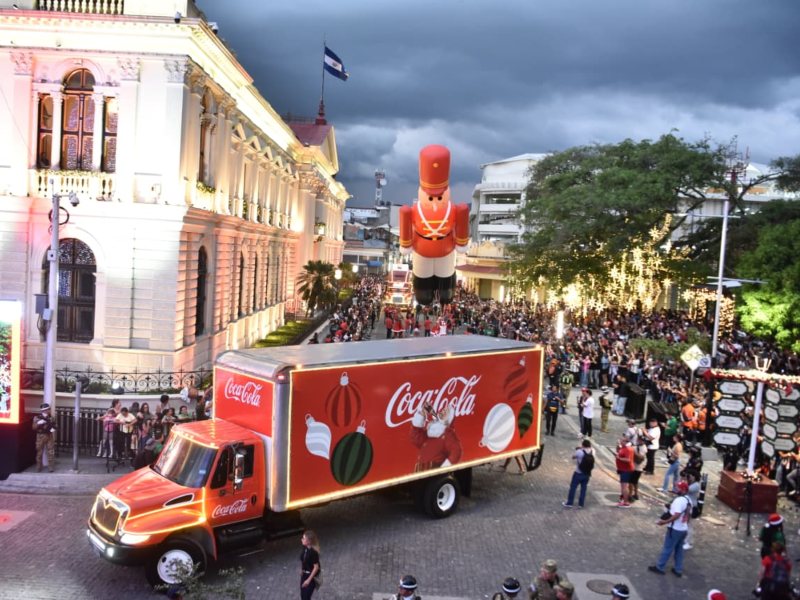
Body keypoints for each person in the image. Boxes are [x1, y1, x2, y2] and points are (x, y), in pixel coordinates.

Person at [648, 480, 691, 577]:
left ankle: (660, 567)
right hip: (683, 529)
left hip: (675, 528)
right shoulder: (688, 500)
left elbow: (676, 515)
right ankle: (678, 569)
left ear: (683, 490)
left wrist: (664, 522)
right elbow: (688, 515)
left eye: (679, 488)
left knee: (668, 548)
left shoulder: (679, 500)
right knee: (679, 550)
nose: (676, 489)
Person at [563, 439, 594, 508]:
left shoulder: (579, 452)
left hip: (578, 473)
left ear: (583, 445)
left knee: (573, 487)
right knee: (583, 489)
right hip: (587, 474)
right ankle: (581, 504)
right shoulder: (592, 451)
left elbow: (573, 457)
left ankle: (569, 503)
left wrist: (579, 449)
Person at [32, 403, 56, 472]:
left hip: (49, 436)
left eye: (48, 409)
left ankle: (51, 467)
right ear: (43, 410)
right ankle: (38, 467)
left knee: (51, 452)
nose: (48, 410)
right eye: (47, 409)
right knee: (39, 452)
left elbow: (54, 426)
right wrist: (39, 423)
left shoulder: (51, 418)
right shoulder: (37, 418)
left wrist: (52, 429)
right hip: (40, 436)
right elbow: (33, 427)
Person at [300, 530, 321, 600]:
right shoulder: (304, 548)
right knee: (303, 596)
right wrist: (302, 569)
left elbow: (316, 567)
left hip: (311, 577)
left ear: (308, 541)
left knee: (306, 597)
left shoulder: (313, 553)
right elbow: (303, 559)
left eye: (303, 538)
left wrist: (308, 580)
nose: (301, 539)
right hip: (304, 574)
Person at [615, 435, 634, 507]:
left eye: (622, 440)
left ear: (626, 441)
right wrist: (617, 445)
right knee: (623, 486)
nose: (620, 441)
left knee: (624, 486)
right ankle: (624, 499)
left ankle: (626, 502)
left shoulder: (628, 449)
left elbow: (628, 460)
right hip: (622, 469)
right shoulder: (623, 447)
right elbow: (618, 450)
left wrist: (619, 458)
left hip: (626, 470)